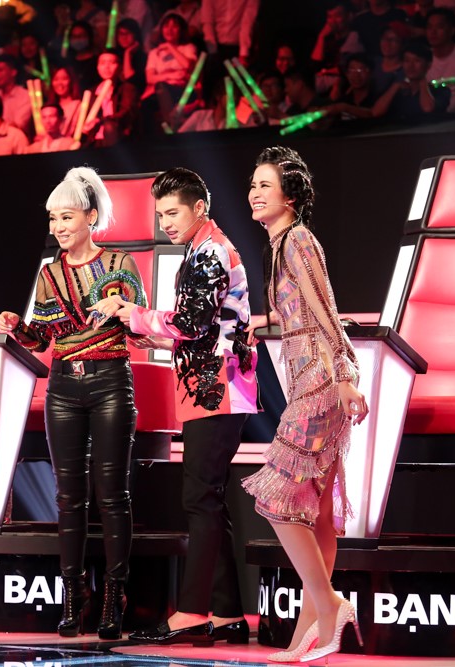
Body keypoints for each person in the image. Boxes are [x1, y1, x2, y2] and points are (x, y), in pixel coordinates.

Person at [92, 168, 259, 647]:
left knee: (199, 499)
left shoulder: (210, 252)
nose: (165, 222)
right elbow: (203, 328)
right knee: (208, 501)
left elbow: (190, 323)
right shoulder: (204, 247)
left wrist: (133, 314)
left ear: (199, 208)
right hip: (214, 385)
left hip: (217, 388)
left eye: (172, 212)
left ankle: (191, 613)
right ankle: (227, 614)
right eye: (160, 214)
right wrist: (150, 332)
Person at [0, 167, 144, 640]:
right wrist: (17, 327)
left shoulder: (120, 263)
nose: (58, 227)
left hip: (110, 382)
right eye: (53, 218)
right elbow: (42, 340)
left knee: (112, 494)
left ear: (90, 217)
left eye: (66, 217)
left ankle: (114, 597)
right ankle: (73, 595)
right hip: (63, 386)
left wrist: (121, 310)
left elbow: (136, 325)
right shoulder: (50, 273)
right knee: (68, 497)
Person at [240, 146, 368, 663]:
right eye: (253, 184)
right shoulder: (279, 246)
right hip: (308, 381)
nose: (254, 192)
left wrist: (344, 373)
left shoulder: (297, 240)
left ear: (290, 197)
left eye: (264, 185)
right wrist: (260, 325)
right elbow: (296, 312)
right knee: (317, 513)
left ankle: (330, 603)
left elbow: (326, 311)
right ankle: (309, 628)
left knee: (275, 499)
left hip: (321, 382)